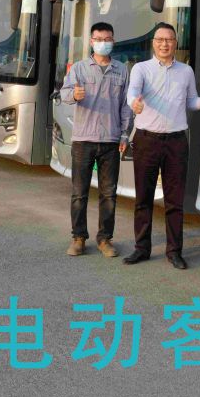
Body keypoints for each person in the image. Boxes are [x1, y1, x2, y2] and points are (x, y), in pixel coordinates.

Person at [123, 22, 200, 269]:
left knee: (174, 201)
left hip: (176, 142)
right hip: (146, 140)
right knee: (143, 198)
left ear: (176, 43)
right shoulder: (141, 69)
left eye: (169, 40)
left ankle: (175, 251)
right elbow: (132, 93)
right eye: (160, 40)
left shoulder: (186, 71)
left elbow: (191, 101)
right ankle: (141, 248)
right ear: (153, 43)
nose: (164, 44)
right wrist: (134, 103)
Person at [59, 22, 133, 258]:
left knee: (108, 194)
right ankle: (78, 238)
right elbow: (64, 93)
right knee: (79, 193)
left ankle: (105, 239)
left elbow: (126, 106)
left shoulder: (122, 70)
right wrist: (74, 94)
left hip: (111, 140)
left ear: (113, 41)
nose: (103, 43)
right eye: (99, 39)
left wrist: (125, 134)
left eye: (107, 39)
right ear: (91, 41)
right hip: (84, 139)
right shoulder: (79, 69)